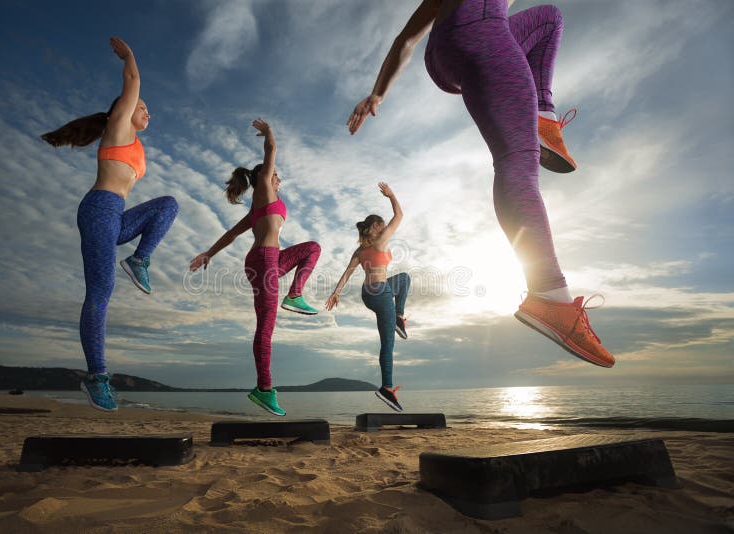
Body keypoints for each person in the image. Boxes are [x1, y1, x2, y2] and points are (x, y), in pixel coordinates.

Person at [347, 0, 615, 368]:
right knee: (517, 163)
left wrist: (378, 92)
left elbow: (406, 38)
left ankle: (544, 117)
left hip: (444, 50)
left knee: (549, 19)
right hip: (482, 32)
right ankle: (550, 294)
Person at [41, 37, 179, 411]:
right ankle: (96, 377)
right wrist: (130, 57)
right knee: (101, 293)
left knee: (168, 204)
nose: (148, 113)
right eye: (143, 107)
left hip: (116, 217)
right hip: (100, 210)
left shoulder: (134, 142)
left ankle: (139, 260)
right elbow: (132, 82)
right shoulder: (118, 126)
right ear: (125, 109)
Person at [189, 119, 321, 416]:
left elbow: (232, 233)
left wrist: (209, 252)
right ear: (266, 175)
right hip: (263, 259)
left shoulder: (260, 205)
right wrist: (270, 133)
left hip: (269, 259)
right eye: (276, 175)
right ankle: (263, 389)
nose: (279, 180)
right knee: (266, 326)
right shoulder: (263, 187)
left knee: (312, 248)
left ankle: (295, 294)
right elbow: (271, 149)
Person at [326, 183, 410, 412]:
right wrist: (392, 195)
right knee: (388, 344)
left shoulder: (360, 251)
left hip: (368, 294)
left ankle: (399, 318)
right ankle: (387, 388)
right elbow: (399, 215)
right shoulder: (381, 240)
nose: (386, 229)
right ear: (376, 227)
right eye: (382, 226)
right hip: (381, 293)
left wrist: (336, 292)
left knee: (404, 279)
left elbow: (348, 272)